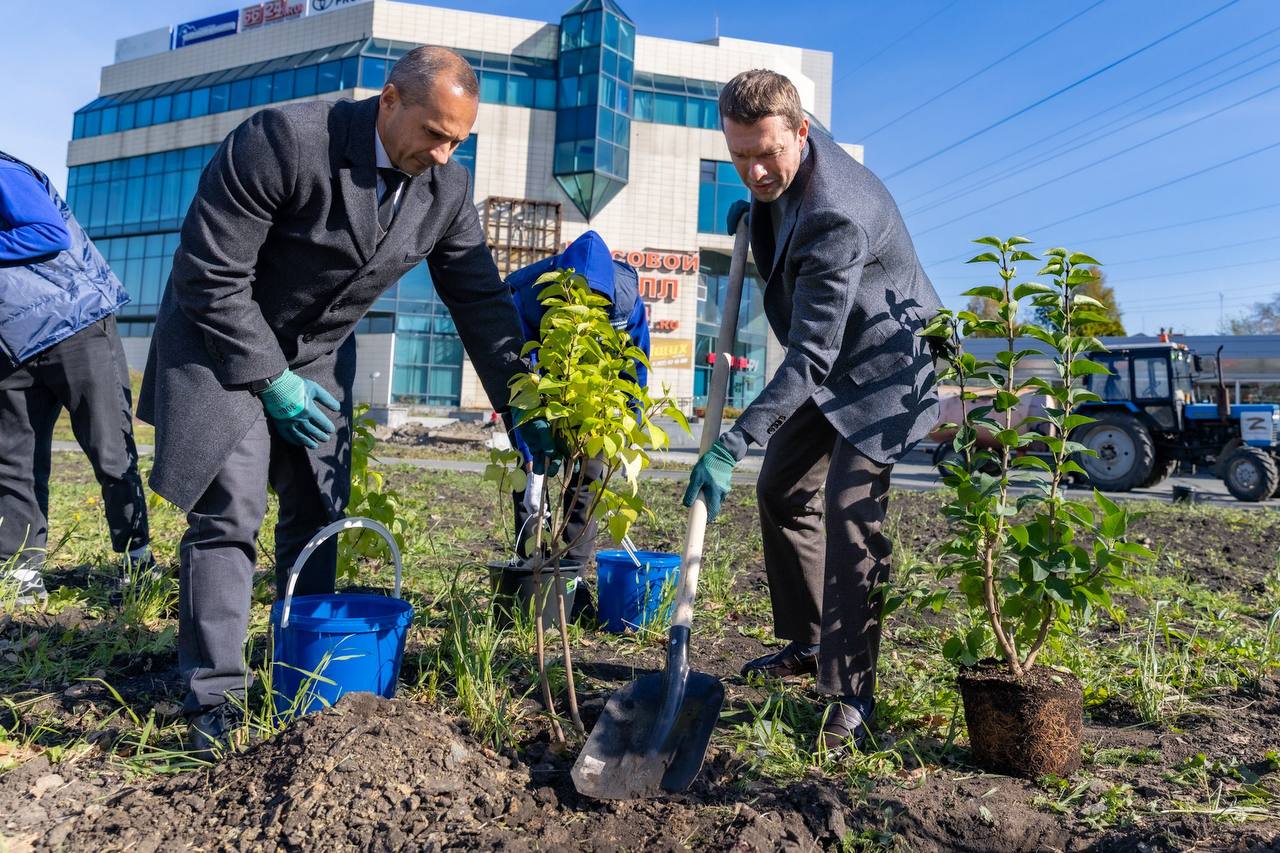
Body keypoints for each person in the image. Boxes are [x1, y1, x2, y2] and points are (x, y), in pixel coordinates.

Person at [137, 46, 557, 759]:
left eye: (460, 138)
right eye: (434, 132)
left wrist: (521, 402)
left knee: (319, 509)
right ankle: (216, 697)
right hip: (220, 340)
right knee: (231, 512)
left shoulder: (445, 190)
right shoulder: (283, 140)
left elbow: (482, 304)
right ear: (389, 99)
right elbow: (208, 273)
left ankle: (302, 671)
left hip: (319, 356)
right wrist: (269, 379)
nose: (445, 151)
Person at [682, 69, 942, 753]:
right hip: (837, 355)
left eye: (769, 153)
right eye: (740, 155)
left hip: (890, 367)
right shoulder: (784, 136)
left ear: (801, 132)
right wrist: (759, 213)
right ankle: (806, 641)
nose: (756, 168)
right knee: (782, 488)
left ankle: (852, 693)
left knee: (848, 509)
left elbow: (808, 361)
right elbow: (775, 195)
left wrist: (734, 441)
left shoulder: (836, 214)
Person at [0, 151, 152, 605]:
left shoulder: (4, 171)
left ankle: (136, 561)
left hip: (72, 325)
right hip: (11, 343)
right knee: (13, 461)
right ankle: (21, 572)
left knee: (110, 450)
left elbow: (48, 233)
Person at [506, 230, 649, 618]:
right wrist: (526, 434)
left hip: (594, 402)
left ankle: (570, 579)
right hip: (538, 397)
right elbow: (514, 371)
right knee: (530, 482)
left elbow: (635, 369)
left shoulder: (626, 298)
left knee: (588, 480)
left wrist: (624, 425)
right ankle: (531, 572)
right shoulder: (527, 292)